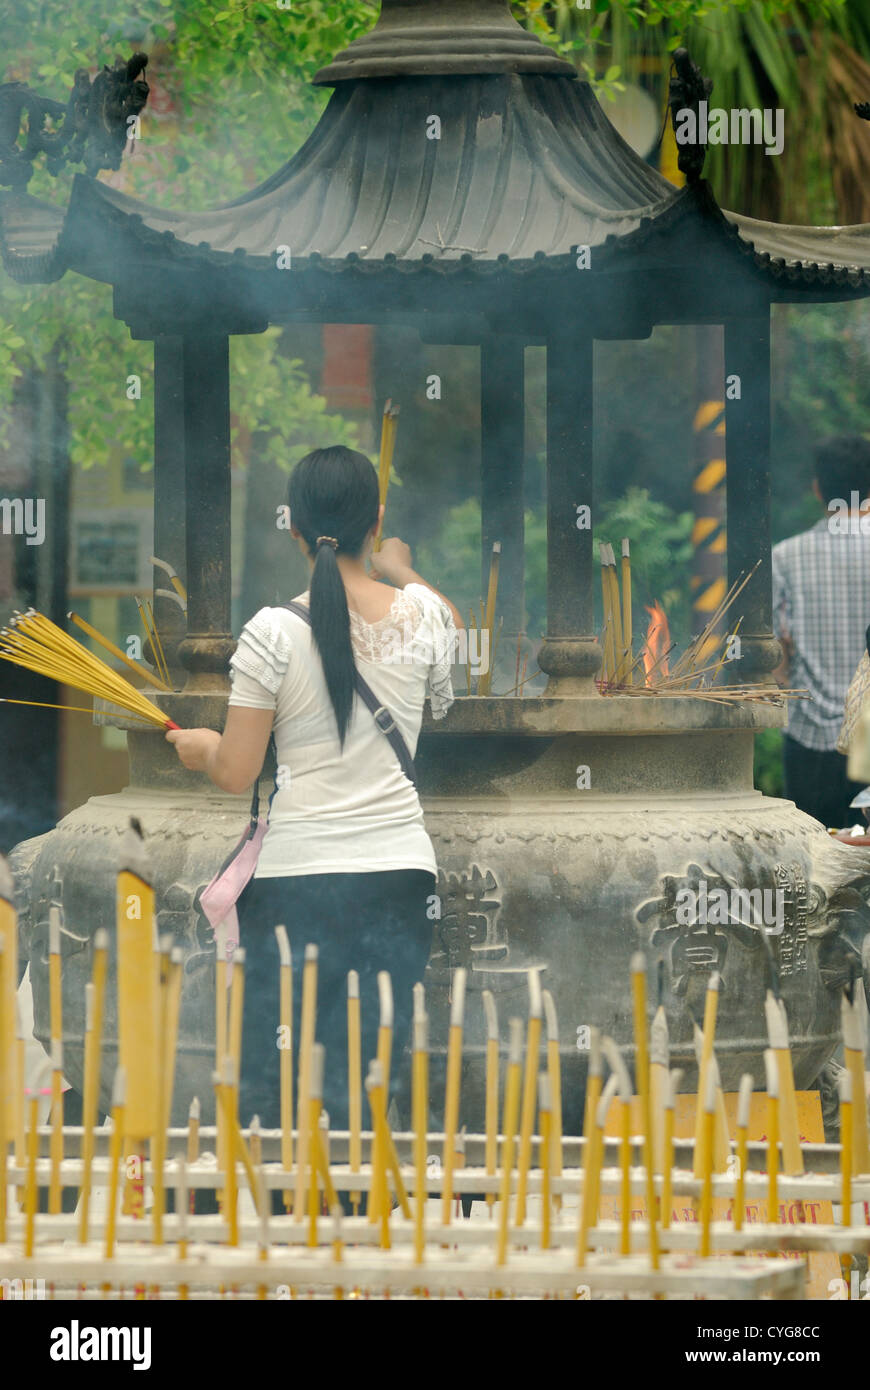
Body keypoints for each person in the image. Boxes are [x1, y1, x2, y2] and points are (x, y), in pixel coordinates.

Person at [166, 444, 461, 1155]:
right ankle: (364, 1239)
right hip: (398, 880)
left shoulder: (271, 632)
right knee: (372, 1069)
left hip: (297, 885)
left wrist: (202, 748)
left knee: (281, 1077)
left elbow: (236, 771)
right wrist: (396, 565)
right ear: (377, 520)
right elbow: (449, 635)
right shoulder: (421, 617)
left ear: (293, 530)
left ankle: (285, 1238)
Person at [772, 433, 870, 827]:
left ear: (818, 488)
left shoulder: (786, 557)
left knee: (818, 869)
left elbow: (777, 653)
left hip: (811, 742)